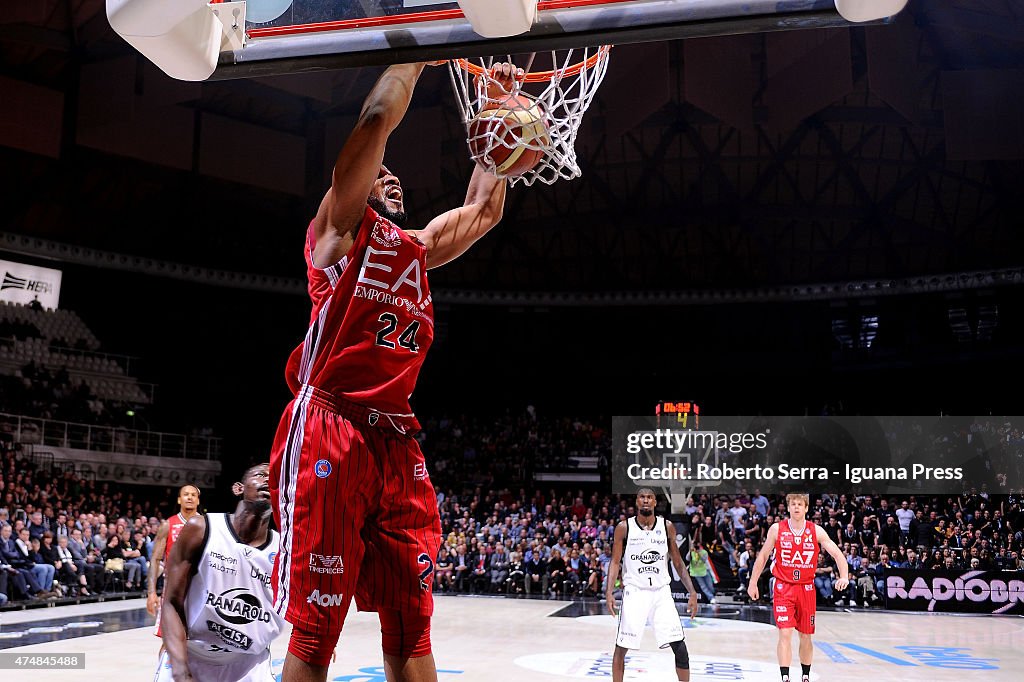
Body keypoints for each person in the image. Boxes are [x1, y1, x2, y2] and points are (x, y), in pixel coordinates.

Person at [268, 60, 514, 682]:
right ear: (353, 185)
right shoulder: (336, 238)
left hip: (395, 439)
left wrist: (501, 110)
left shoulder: (417, 250)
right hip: (332, 425)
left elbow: (484, 212)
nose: (394, 180)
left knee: (413, 622)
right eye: (381, 173)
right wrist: (415, 52)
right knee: (316, 628)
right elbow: (377, 119)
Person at [157, 464, 281, 682]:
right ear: (238, 488)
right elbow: (171, 603)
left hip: (249, 663)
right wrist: (181, 671)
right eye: (261, 475)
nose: (269, 482)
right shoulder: (202, 528)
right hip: (193, 654)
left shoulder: (284, 548)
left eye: (277, 479)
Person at [748, 493, 850, 682]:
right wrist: (753, 582)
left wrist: (844, 576)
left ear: (806, 508)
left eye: (800, 504)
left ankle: (805, 675)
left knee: (805, 636)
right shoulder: (777, 529)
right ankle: (785, 677)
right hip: (783, 587)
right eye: (793, 504)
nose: (796, 507)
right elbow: (762, 556)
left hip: (806, 588)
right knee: (785, 633)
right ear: (788, 507)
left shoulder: (816, 531)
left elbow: (837, 554)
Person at [605, 489, 699, 682]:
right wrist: (609, 592)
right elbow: (615, 562)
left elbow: (678, 563)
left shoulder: (667, 527)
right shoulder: (624, 527)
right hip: (635, 591)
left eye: (649, 497)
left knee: (680, 647)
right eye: (642, 497)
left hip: (661, 593)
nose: (646, 500)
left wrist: (692, 591)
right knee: (621, 646)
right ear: (637, 502)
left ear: (655, 502)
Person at [148, 484, 202, 638]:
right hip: (173, 588)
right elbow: (156, 559)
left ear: (198, 501)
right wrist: (151, 592)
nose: (190, 497)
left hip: (199, 586)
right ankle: (164, 663)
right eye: (186, 494)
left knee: (197, 640)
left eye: (193, 495)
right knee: (169, 639)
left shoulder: (206, 524)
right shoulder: (168, 525)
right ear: (179, 500)